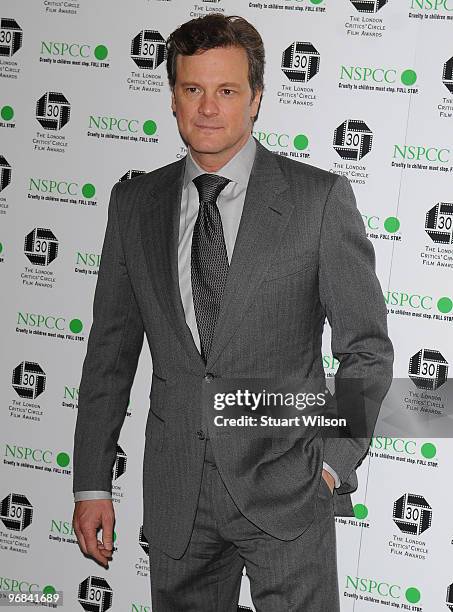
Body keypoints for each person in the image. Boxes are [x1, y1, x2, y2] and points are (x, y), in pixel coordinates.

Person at [72, 13, 393, 611]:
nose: (208, 108)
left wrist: (331, 466)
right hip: (176, 494)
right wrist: (92, 481)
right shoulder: (135, 204)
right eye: (192, 89)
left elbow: (367, 351)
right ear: (172, 96)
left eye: (227, 91)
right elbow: (110, 354)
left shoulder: (317, 200)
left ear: (257, 98)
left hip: (288, 486)